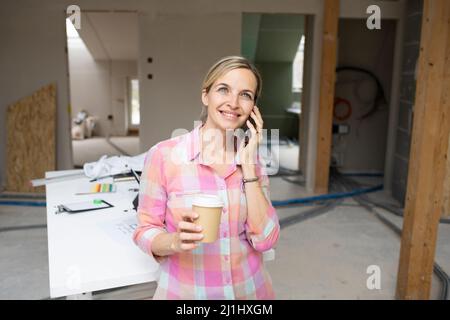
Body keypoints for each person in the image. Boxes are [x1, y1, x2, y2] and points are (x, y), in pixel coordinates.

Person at [133, 56, 280, 300]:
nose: (233, 103)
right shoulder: (164, 156)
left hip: (251, 293)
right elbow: (145, 230)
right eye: (223, 89)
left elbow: (265, 240)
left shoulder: (252, 160)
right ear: (206, 96)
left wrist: (249, 167)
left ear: (253, 108)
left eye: (245, 95)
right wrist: (174, 242)